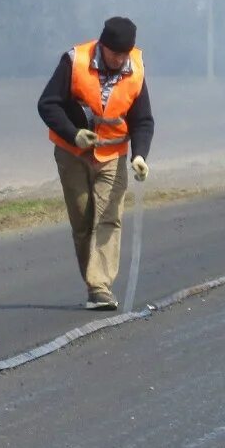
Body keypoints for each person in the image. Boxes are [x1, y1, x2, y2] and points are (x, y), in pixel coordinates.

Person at [38, 15, 155, 310]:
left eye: (124, 54)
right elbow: (47, 103)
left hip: (113, 156)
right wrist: (73, 133)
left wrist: (140, 154)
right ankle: (94, 281)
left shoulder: (136, 70)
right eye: (114, 53)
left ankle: (100, 287)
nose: (119, 59)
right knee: (83, 219)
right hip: (72, 153)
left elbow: (142, 121)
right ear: (102, 46)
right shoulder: (74, 61)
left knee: (108, 218)